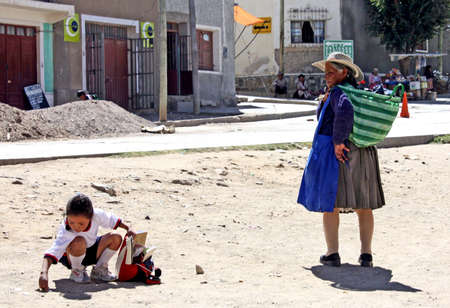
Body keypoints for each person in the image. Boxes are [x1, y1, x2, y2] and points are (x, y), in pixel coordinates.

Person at [298, 52, 385, 268]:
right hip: (364, 152)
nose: (326, 76)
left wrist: (338, 141)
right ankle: (366, 255)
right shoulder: (357, 91)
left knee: (331, 205)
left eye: (331, 72)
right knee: (364, 205)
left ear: (344, 72)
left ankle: (332, 253)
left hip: (342, 154)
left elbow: (345, 111)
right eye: (325, 72)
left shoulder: (339, 93)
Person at [38, 193, 135, 291]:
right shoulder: (66, 229)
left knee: (116, 238)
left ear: (91, 217)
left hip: (91, 250)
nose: (76, 227)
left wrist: (128, 228)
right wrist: (44, 273)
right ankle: (77, 271)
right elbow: (53, 251)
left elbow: (112, 220)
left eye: (81, 224)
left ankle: (99, 271)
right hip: (72, 256)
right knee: (79, 241)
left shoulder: (96, 215)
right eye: (72, 222)